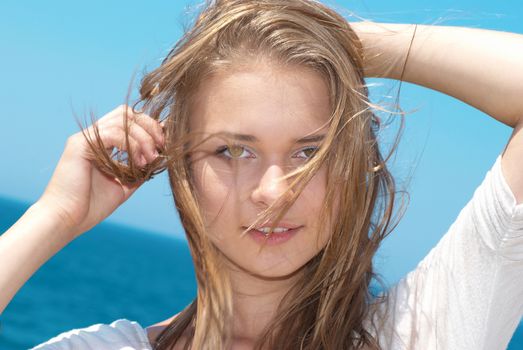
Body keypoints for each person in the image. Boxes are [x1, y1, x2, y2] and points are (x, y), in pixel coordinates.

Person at [1, 0, 522, 349]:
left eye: (308, 152)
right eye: (232, 151)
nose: (274, 192)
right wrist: (54, 216)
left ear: (353, 163)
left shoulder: (426, 330)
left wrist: (341, 44)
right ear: (178, 162)